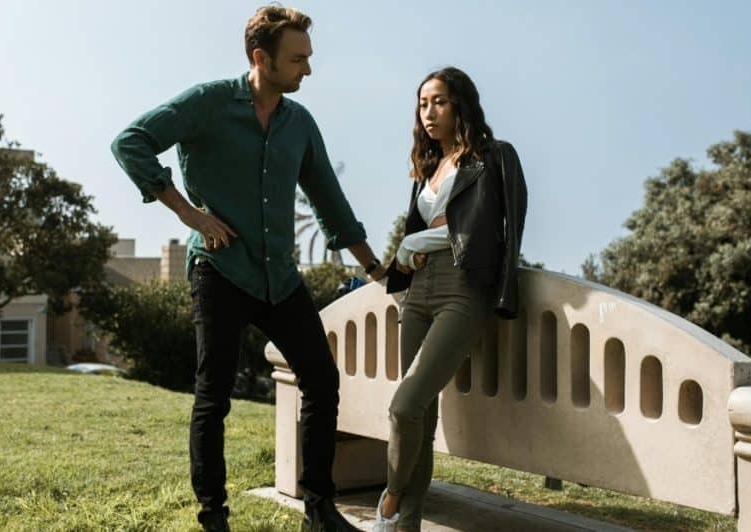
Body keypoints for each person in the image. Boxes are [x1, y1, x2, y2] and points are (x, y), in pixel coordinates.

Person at [111, 5, 387, 532]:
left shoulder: (299, 124)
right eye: (298, 59)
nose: (308, 69)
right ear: (261, 58)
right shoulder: (208, 103)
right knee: (213, 395)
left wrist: (372, 266)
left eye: (308, 58)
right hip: (219, 271)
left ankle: (320, 509)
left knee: (322, 380)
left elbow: (330, 200)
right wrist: (187, 212)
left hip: (279, 279)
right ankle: (214, 516)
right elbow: (131, 142)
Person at [374, 67, 527, 531]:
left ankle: (392, 498)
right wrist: (410, 251)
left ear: (460, 103)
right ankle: (406, 527)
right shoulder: (427, 168)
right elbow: (425, 230)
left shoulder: (493, 158)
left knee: (404, 405)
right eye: (422, 104)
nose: (429, 112)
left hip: (464, 289)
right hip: (418, 292)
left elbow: (493, 229)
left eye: (439, 101)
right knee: (420, 412)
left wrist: (414, 245)